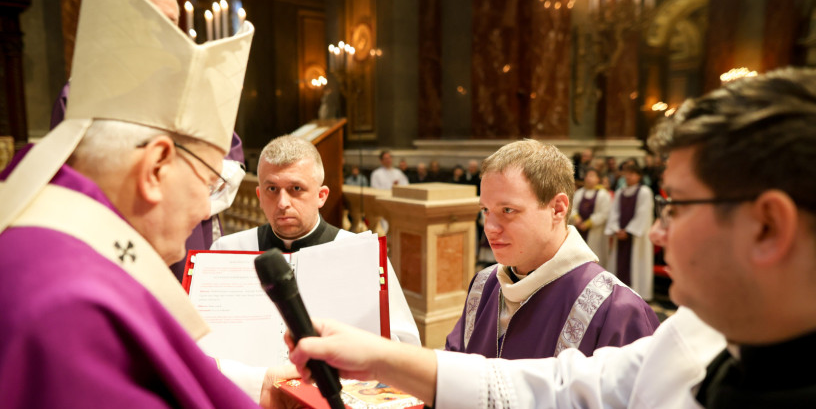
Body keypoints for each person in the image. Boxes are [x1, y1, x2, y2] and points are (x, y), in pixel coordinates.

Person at [286, 67, 816, 408]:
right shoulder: (692, 337)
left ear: (768, 226)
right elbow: (548, 389)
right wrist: (377, 357)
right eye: (484, 212)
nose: (658, 230)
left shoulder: (623, 310)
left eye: (674, 205)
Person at [0, 0, 266, 406]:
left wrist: (259, 387)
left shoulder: (46, 239)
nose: (208, 209)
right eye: (206, 178)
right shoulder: (74, 310)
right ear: (156, 166)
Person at [47, 0, 246, 283]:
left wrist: (189, 187)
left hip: (185, 236)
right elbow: (64, 177)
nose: (163, 32)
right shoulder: (80, 93)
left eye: (170, 22)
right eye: (150, 16)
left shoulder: (193, 91)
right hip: (115, 238)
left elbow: (230, 161)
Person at [445, 140, 658, 360]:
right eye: (486, 210)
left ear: (557, 209)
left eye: (508, 210)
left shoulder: (616, 310)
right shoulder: (483, 285)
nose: (490, 228)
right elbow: (454, 361)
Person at [211, 135, 420, 346]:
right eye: (272, 189)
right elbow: (209, 337)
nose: (282, 203)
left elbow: (404, 343)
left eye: (296, 189)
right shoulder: (227, 251)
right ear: (259, 195)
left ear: (321, 196)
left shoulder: (364, 254)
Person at [605, 160, 655, 300]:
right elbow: (614, 212)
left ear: (639, 176)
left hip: (635, 238)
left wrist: (628, 231)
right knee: (618, 265)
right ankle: (618, 294)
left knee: (635, 268)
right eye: (627, 174)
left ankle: (639, 294)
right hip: (620, 235)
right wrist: (616, 229)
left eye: (632, 174)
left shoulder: (645, 192)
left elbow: (643, 214)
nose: (628, 176)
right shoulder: (620, 192)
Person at [570, 168, 612, 268]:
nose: (589, 178)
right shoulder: (579, 193)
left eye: (592, 176)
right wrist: (576, 217)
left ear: (598, 179)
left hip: (595, 233)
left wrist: (588, 223)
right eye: (588, 176)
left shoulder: (603, 194)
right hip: (578, 230)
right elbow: (571, 207)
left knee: (594, 260)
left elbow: (604, 214)